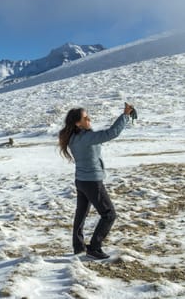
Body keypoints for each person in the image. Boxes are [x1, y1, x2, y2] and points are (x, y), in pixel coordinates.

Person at [58, 103, 134, 260]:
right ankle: (94, 247)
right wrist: (125, 115)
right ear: (78, 123)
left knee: (81, 214)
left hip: (81, 180)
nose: (89, 119)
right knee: (109, 214)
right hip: (92, 181)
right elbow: (111, 133)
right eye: (85, 118)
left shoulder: (73, 137)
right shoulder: (86, 138)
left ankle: (78, 247)